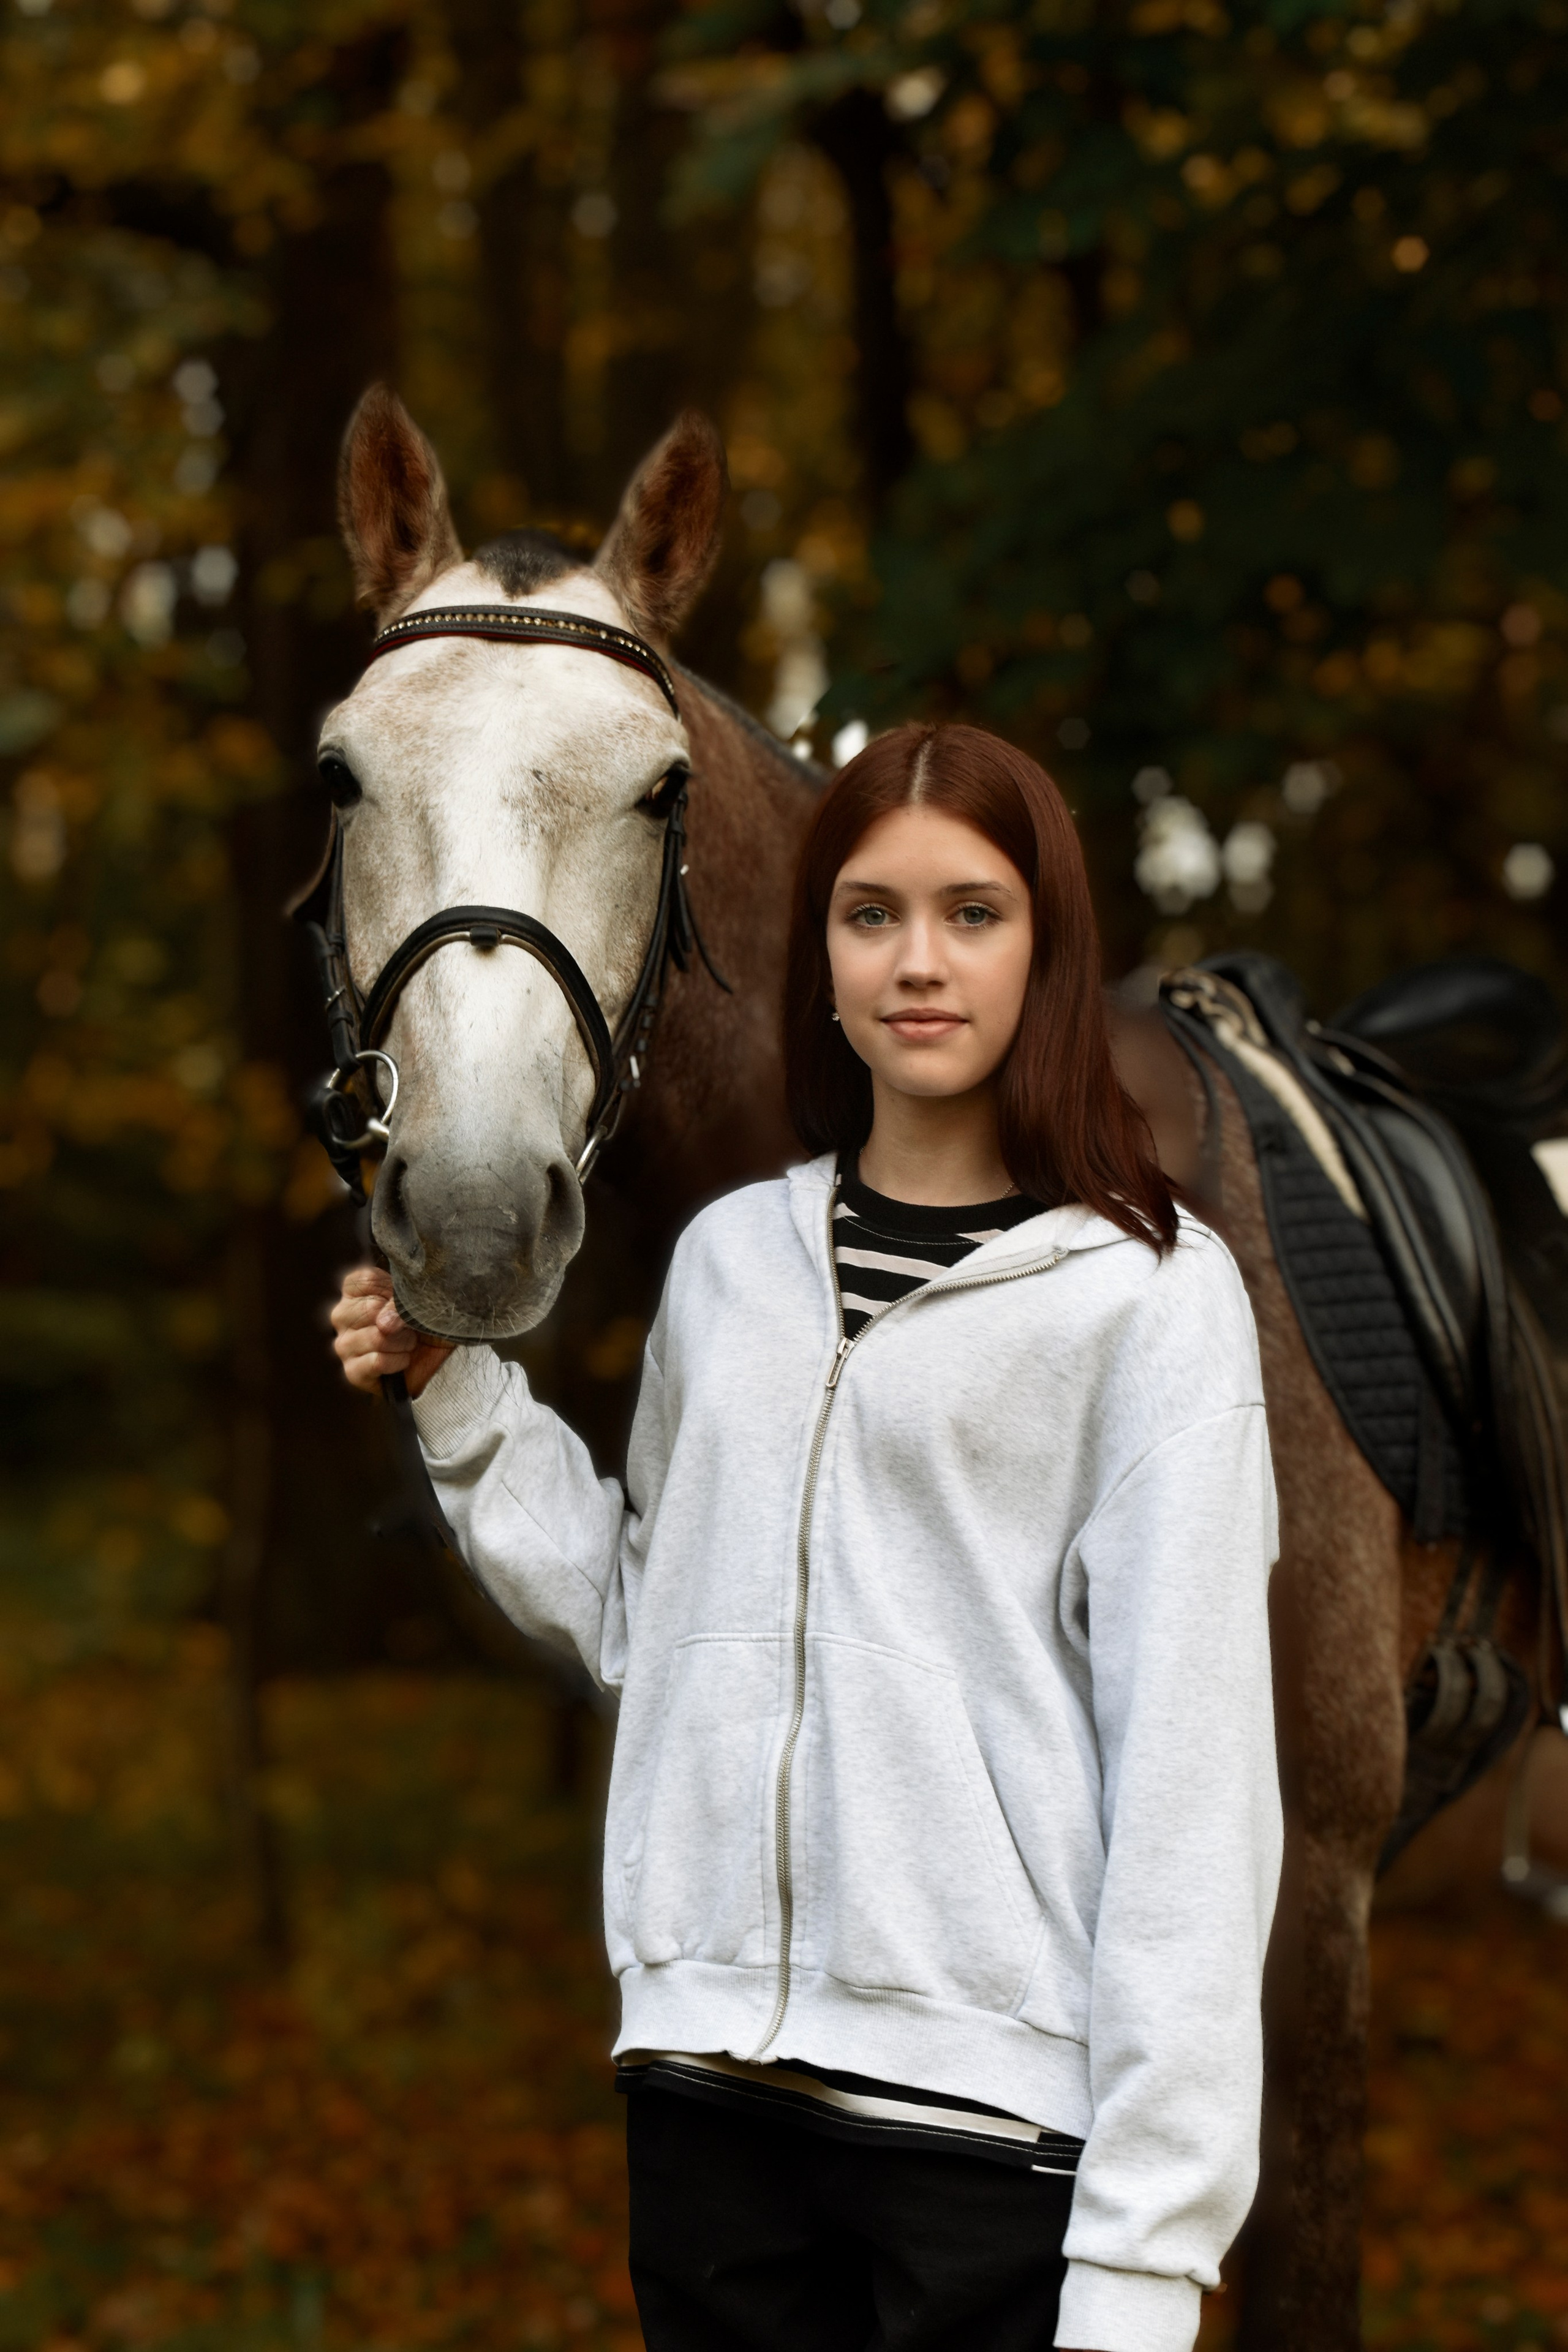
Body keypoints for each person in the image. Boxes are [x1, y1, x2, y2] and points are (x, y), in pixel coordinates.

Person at [331, 722, 1282, 2352]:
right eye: (870, 914)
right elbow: (651, 1618)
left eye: (972, 913)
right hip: (710, 2116)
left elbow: (1200, 1796)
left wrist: (1151, 2250)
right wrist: (462, 1397)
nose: (919, 961)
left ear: (1047, 949)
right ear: (818, 952)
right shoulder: (727, 1264)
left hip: (991, 2147)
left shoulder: (1152, 1298)